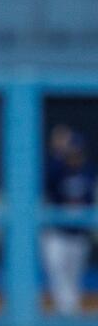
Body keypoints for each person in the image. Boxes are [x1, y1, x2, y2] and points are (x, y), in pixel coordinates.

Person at [41, 131, 94, 315]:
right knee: (56, 272)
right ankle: (64, 311)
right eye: (71, 151)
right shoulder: (58, 171)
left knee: (74, 277)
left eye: (77, 151)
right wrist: (58, 152)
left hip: (78, 234)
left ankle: (71, 312)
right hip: (57, 233)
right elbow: (46, 180)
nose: (74, 155)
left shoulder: (88, 173)